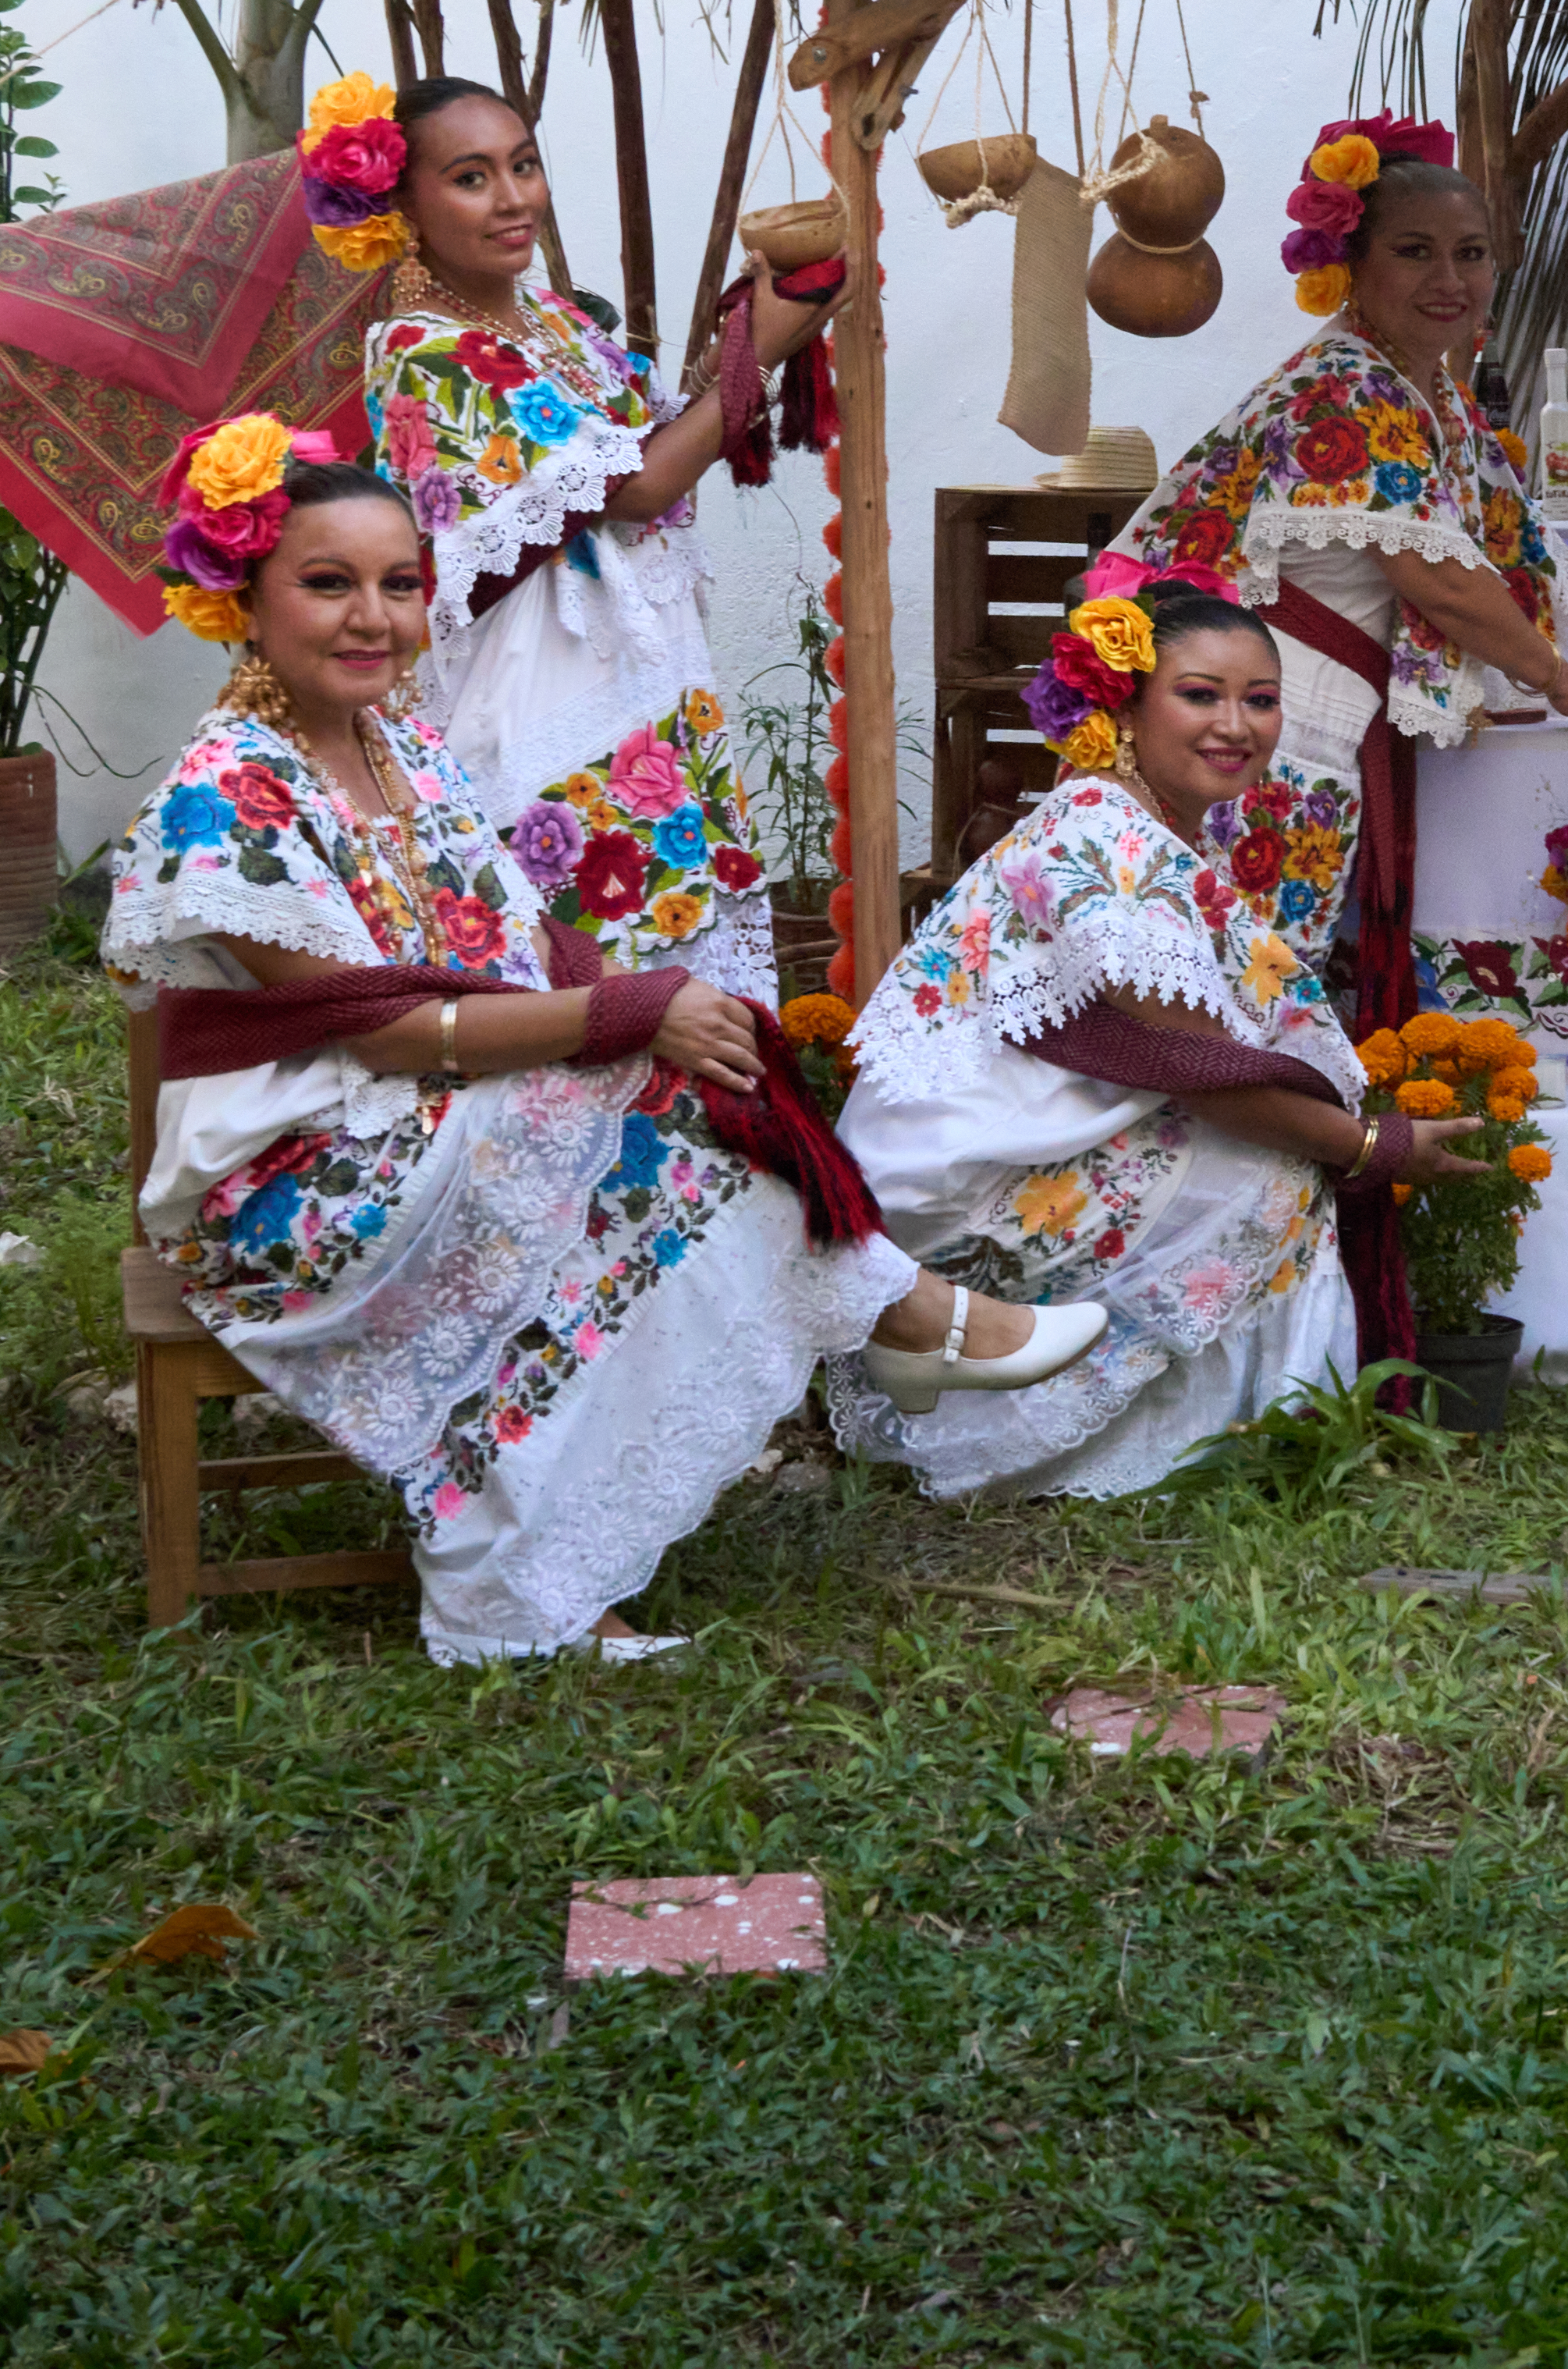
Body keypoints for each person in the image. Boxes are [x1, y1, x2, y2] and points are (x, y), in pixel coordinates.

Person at [109, 424, 1096, 1663]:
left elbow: (514, 937)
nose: (374, 618)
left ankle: (529, 1560)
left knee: (678, 1106)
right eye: (327, 584)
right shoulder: (226, 790)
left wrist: (657, 1001)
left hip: (405, 1114)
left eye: (401, 584)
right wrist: (629, 1014)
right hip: (287, 1182)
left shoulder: (396, 745)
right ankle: (900, 1324)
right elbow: (380, 1022)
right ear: (240, 597)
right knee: (649, 1110)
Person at [826, 577, 1490, 1501]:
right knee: (1274, 1176)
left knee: (1258, 1152)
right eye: (1200, 693)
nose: (1237, 725)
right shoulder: (1107, 838)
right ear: (1126, 704)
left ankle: (1204, 1434)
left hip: (957, 1166)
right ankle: (1139, 1449)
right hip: (947, 1197)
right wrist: (1372, 1143)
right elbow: (1194, 1066)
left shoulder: (1134, 822)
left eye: (1260, 700)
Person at [1103, 115, 1568, 1025]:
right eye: (1415, 252)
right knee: (1227, 1000)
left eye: (1472, 254)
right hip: (1253, 736)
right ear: (1352, 266)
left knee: (1267, 989)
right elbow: (1439, 579)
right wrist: (1561, 680)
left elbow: (1527, 551)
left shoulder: (1428, 390)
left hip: (1301, 727)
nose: (1451, 281)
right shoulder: (1348, 385)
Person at [337, 70, 833, 993]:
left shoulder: (552, 318)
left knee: (669, 908)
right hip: (542, 681)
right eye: (472, 176)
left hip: (639, 662)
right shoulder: (423, 348)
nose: (515, 196)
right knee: (589, 938)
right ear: (402, 202)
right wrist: (760, 347)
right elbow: (639, 486)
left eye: (523, 164)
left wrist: (746, 333)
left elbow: (646, 441)